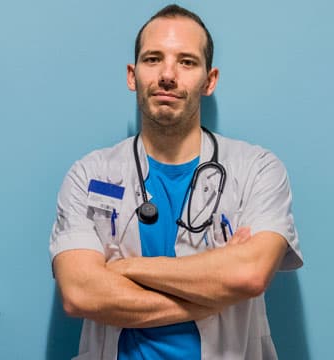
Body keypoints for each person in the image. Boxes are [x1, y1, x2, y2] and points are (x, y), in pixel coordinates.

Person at [50, 4, 302, 360]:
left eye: (186, 62)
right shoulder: (89, 174)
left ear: (209, 80)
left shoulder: (257, 169)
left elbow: (249, 275)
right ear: (131, 75)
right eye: (153, 59)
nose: (168, 74)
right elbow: (80, 293)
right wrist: (210, 295)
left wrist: (124, 269)